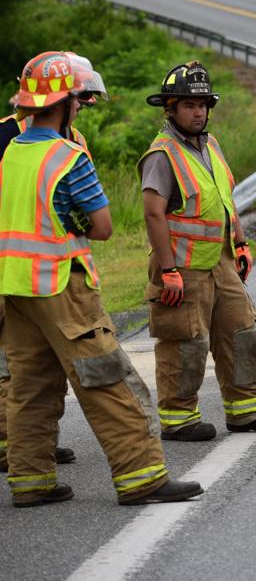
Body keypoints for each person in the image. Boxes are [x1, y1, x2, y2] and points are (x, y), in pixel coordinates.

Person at [0, 51, 203, 506]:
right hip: (61, 285)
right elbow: (103, 227)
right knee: (107, 378)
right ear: (67, 102)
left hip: (15, 287)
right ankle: (142, 477)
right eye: (81, 100)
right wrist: (72, 221)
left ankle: (31, 483)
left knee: (29, 387)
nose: (83, 107)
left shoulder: (11, 150)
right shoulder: (68, 156)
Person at [139, 62, 256, 441]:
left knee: (241, 332)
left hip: (220, 261)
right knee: (186, 344)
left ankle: (246, 410)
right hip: (182, 266)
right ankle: (178, 419)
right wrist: (168, 270)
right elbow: (153, 214)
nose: (199, 112)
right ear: (170, 109)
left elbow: (225, 200)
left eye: (203, 104)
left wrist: (240, 242)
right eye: (189, 105)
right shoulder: (162, 155)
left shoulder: (211, 146)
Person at [0, 54, 106, 473]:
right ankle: (11, 448)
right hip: (12, 267)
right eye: (78, 98)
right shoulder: (6, 136)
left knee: (39, 365)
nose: (82, 106)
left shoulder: (73, 142)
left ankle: (34, 450)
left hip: (48, 269)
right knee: (13, 366)